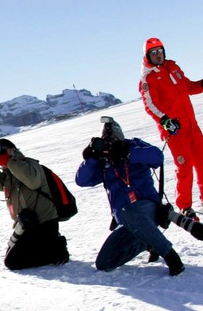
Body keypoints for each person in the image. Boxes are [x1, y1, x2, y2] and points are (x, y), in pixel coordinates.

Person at [74, 117, 185, 276]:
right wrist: (90, 158)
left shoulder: (133, 145)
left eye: (112, 140)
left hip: (148, 208)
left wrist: (128, 152)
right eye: (105, 141)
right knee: (104, 262)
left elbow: (157, 158)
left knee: (130, 211)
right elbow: (81, 181)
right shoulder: (104, 163)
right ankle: (147, 239)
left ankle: (170, 256)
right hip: (126, 220)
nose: (109, 144)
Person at [139, 37, 203, 219]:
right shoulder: (148, 78)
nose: (158, 55)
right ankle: (184, 206)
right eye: (153, 53)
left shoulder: (173, 68)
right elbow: (150, 105)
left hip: (192, 126)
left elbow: (188, 87)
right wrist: (165, 121)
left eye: (160, 51)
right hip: (174, 131)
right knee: (184, 168)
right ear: (147, 56)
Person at [0, 137, 69, 270]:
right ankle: (54, 245)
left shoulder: (31, 165)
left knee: (13, 262)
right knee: (12, 252)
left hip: (44, 221)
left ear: (11, 151)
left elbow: (33, 181)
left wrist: (10, 160)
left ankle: (58, 252)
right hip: (25, 224)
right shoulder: (8, 176)